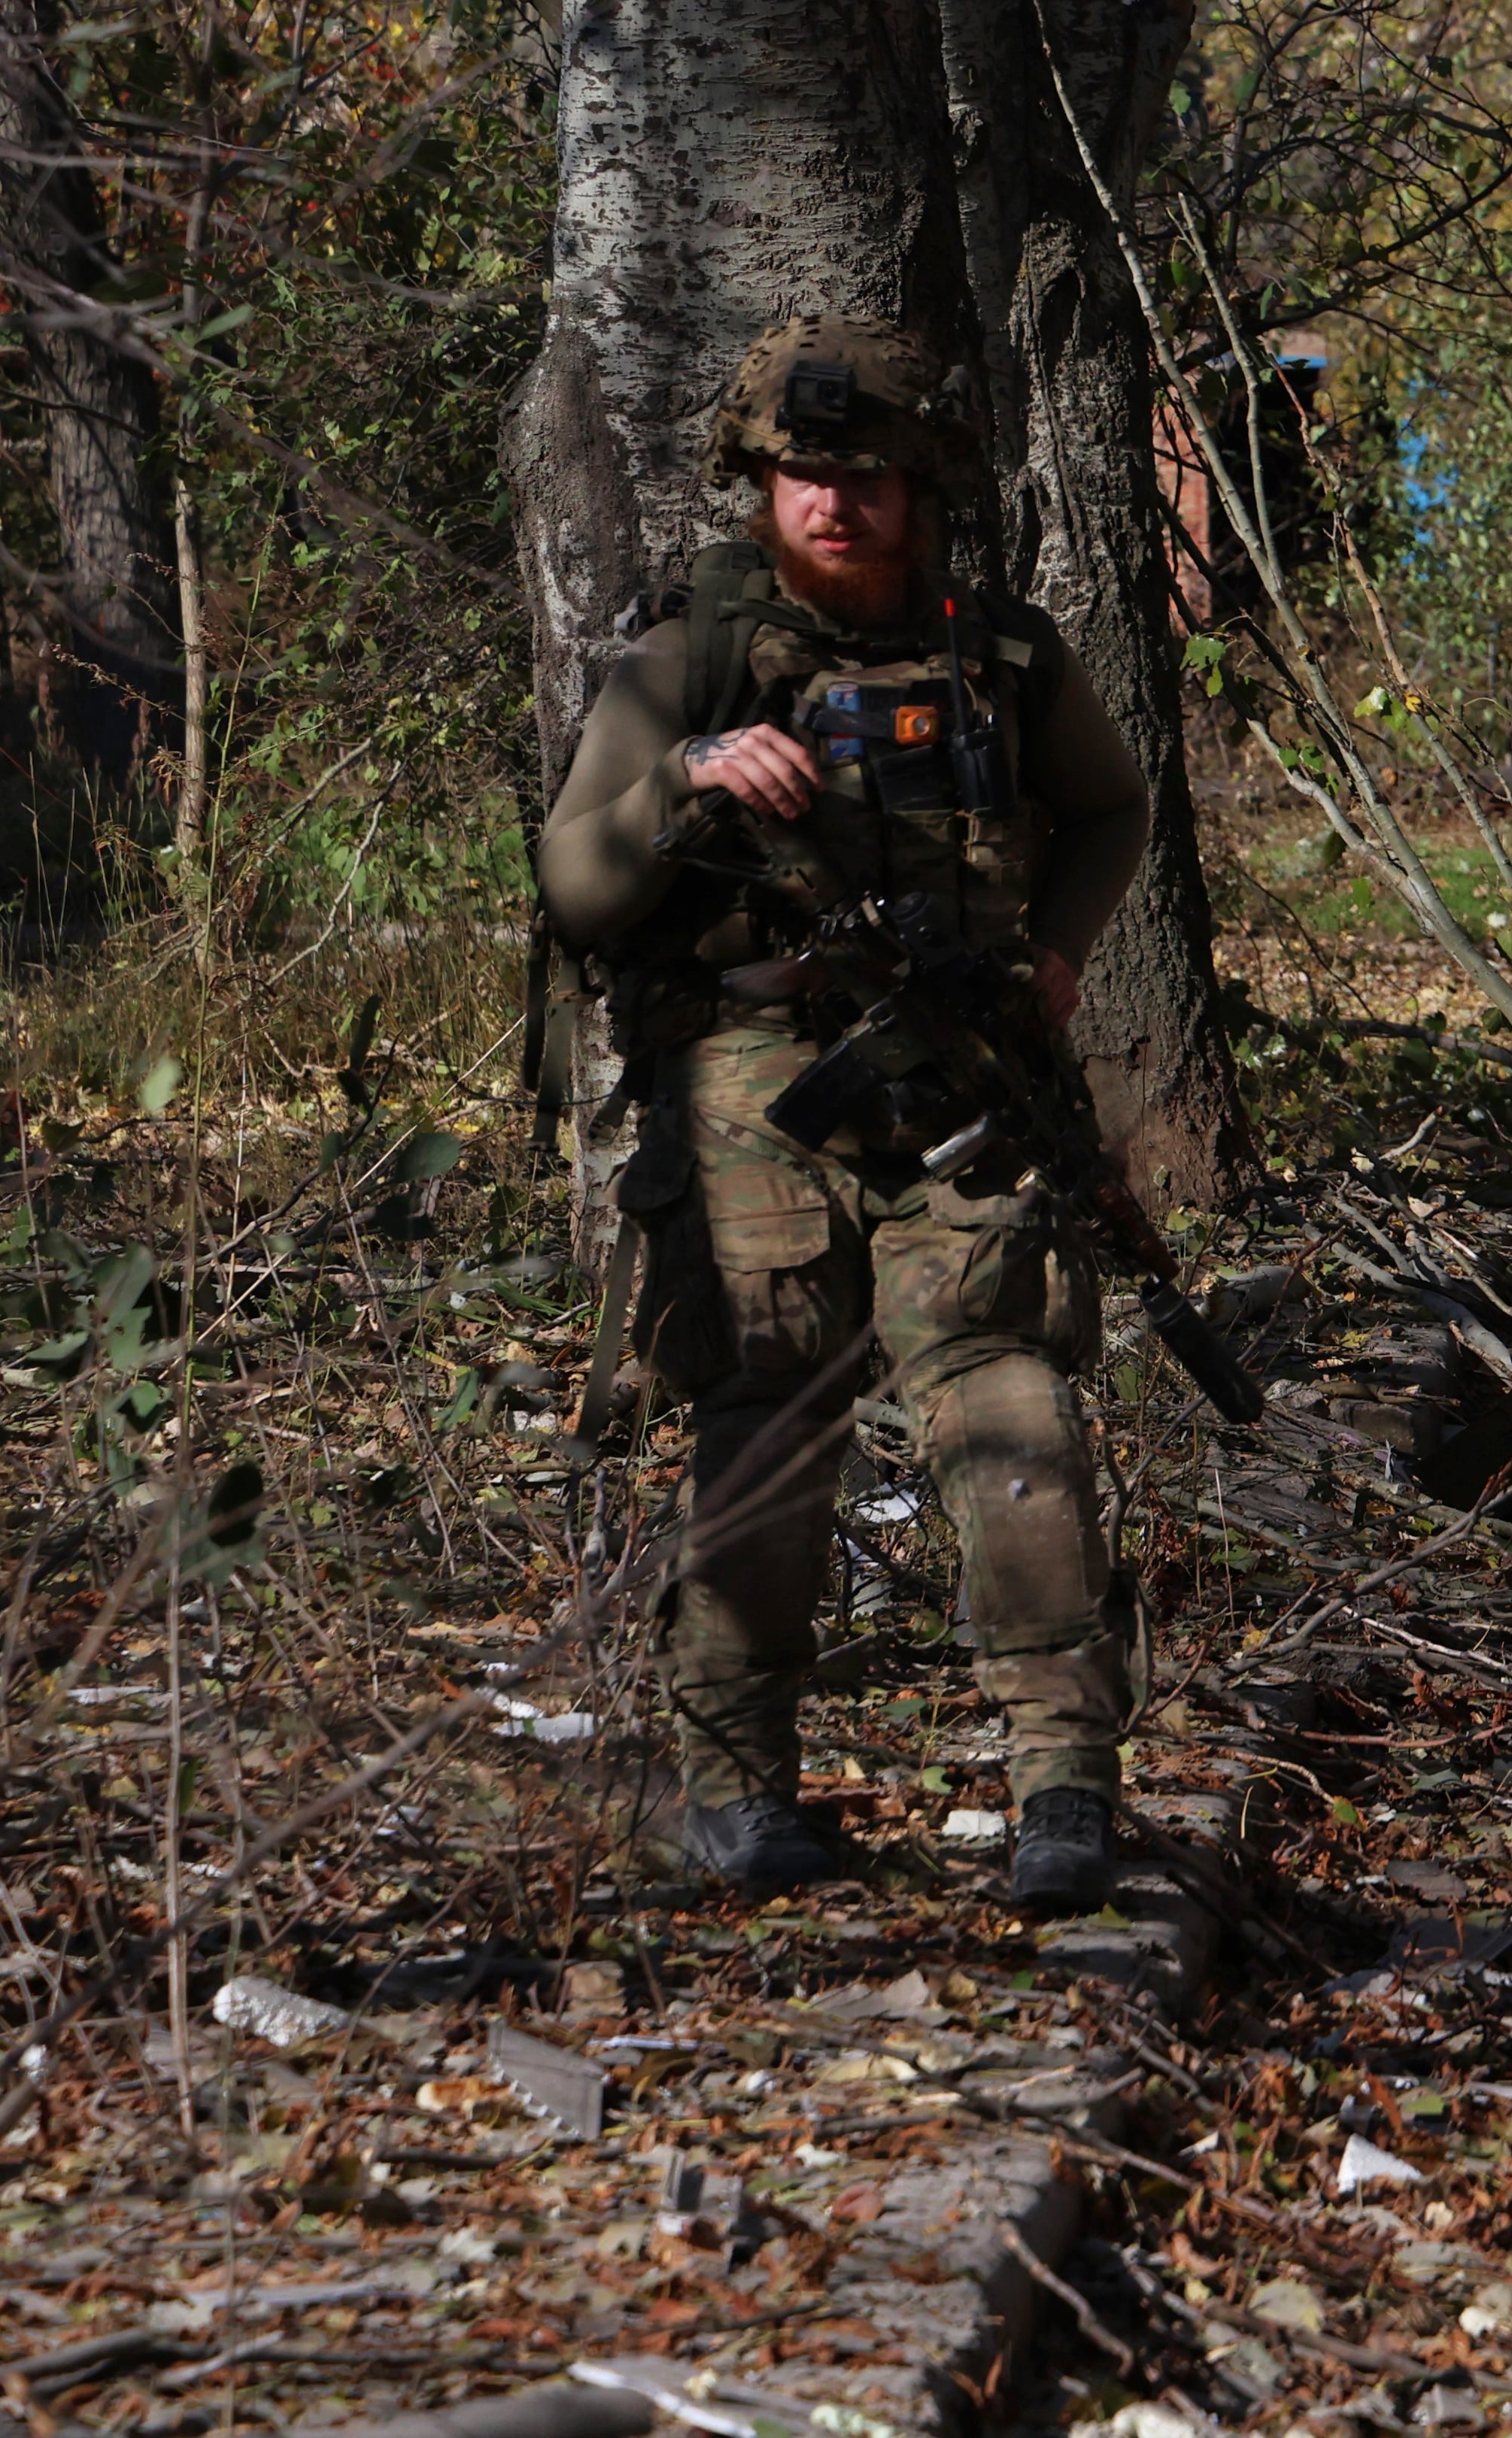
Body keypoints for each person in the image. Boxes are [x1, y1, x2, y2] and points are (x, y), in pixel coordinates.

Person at [539, 317, 1154, 1913]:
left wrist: (1062, 950)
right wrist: (686, 784)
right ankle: (735, 1792)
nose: (836, 505)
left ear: (922, 488)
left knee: (1005, 1400)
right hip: (758, 1082)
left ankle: (1064, 1791)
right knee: (766, 1408)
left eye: (868, 476)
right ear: (758, 483)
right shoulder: (689, 654)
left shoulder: (1002, 655)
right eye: (805, 475)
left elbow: (1108, 808)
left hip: (958, 1076)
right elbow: (575, 883)